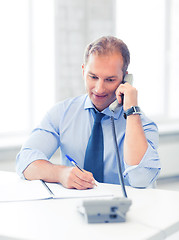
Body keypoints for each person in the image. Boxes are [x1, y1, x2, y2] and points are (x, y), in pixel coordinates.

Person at [16, 36, 160, 190]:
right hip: (77, 207)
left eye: (110, 80)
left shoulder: (143, 125)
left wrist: (131, 112)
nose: (99, 89)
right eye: (93, 77)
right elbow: (24, 161)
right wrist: (60, 173)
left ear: (125, 79)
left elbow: (141, 179)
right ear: (84, 71)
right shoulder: (62, 113)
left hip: (128, 209)